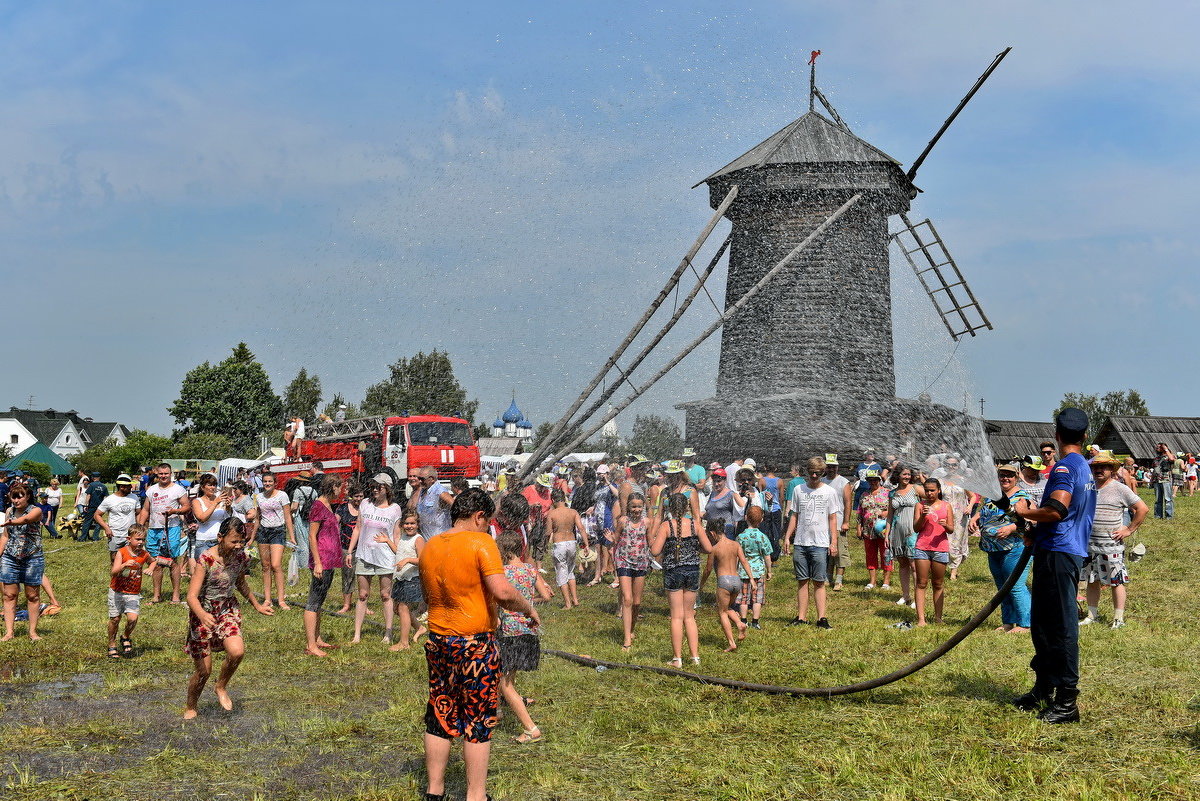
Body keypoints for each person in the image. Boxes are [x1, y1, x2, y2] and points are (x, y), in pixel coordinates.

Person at [419, 488, 539, 801]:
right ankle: (476, 795)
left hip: (439, 640)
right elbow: (502, 591)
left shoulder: (430, 545)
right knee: (477, 720)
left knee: (440, 713)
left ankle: (434, 792)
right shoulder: (481, 541)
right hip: (475, 644)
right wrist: (527, 608)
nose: (488, 528)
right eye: (488, 522)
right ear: (479, 516)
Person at [1013, 407, 1098, 724]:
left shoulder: (1063, 468)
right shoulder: (1083, 467)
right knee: (1045, 624)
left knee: (1060, 627)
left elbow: (1058, 509)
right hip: (1062, 550)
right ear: (1085, 436)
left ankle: (1066, 702)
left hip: (1059, 554)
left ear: (1057, 435)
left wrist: (1026, 513)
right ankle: (1043, 688)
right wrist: (1038, 529)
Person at [183, 517, 274, 719]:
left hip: (227, 610)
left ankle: (221, 686)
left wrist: (256, 605)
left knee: (237, 652)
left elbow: (241, 584)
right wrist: (202, 614)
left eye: (241, 541)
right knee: (203, 672)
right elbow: (191, 596)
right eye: (234, 541)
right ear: (220, 537)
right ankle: (191, 705)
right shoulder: (206, 559)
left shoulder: (240, 557)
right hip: (203, 612)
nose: (238, 546)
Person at [495, 529, 552, 744]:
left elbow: (497, 598)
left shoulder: (501, 572)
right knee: (509, 676)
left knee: (503, 683)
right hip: (529, 631)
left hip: (509, 632)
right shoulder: (530, 569)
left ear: (503, 550)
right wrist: (528, 603)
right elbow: (546, 596)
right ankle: (498, 710)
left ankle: (530, 728)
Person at [1081, 451, 1148, 629]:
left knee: (1116, 581)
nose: (1099, 470)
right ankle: (1092, 615)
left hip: (1111, 546)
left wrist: (1129, 529)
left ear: (1112, 470)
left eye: (1103, 467)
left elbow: (1142, 508)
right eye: (1095, 467)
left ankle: (1118, 619)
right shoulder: (1089, 487)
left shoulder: (1120, 488)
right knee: (1092, 580)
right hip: (1090, 545)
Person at [650, 492, 714, 666]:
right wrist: (693, 548)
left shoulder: (666, 526)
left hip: (673, 572)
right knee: (689, 616)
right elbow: (708, 548)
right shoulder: (695, 525)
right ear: (687, 507)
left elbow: (655, 551)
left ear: (670, 508)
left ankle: (677, 658)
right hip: (692, 571)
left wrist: (654, 540)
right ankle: (695, 657)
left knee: (676, 617)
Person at [971, 463, 1032, 633]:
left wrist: (1011, 528)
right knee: (1002, 587)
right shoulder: (993, 495)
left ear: (1017, 477)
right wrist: (974, 518)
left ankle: (1025, 624)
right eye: (1002, 475)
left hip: (1016, 548)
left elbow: (1032, 520)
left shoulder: (1022, 496)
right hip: (993, 549)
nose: (1005, 478)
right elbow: (984, 509)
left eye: (1009, 475)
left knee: (1016, 586)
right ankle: (1008, 622)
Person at [783, 457, 838, 629]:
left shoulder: (829, 492)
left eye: (817, 473)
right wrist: (787, 537)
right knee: (802, 580)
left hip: (820, 544)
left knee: (819, 581)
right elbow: (794, 515)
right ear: (807, 471)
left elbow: (833, 518)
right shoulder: (799, 489)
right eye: (811, 472)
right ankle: (801, 617)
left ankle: (822, 618)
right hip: (801, 542)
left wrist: (833, 542)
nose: (814, 475)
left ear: (822, 473)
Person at [349, 474, 403, 644]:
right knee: (363, 595)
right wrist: (350, 551)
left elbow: (396, 535)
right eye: (372, 486)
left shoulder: (395, 509)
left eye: (378, 487)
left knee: (385, 595)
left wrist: (400, 556)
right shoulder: (365, 503)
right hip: (365, 555)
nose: (374, 489)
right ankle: (357, 634)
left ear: (386, 489)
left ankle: (388, 633)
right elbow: (358, 528)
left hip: (385, 557)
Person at [303, 474, 347, 657]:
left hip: (329, 560)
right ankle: (311, 645)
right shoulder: (318, 506)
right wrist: (318, 563)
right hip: (321, 561)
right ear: (332, 487)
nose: (342, 491)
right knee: (313, 602)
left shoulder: (328, 505)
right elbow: (312, 536)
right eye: (340, 487)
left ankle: (317, 638)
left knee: (320, 600)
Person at [139, 462, 191, 605]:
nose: (163, 476)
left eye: (166, 474)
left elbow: (187, 506)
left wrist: (174, 511)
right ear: (157, 474)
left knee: (173, 562)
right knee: (155, 561)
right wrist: (140, 526)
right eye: (161, 474)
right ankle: (157, 596)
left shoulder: (178, 490)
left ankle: (175, 596)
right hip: (154, 529)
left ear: (170, 474)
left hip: (172, 529)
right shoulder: (151, 490)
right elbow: (145, 510)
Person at [701, 517, 753, 652]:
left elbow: (707, 569)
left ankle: (731, 642)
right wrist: (751, 579)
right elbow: (744, 562)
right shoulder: (735, 544)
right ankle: (739, 623)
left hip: (724, 581)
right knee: (729, 607)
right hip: (737, 581)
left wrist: (701, 584)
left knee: (722, 612)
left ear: (712, 533)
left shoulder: (714, 548)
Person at [1, 484, 45, 641]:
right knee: (9, 595)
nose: (16, 499)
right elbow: (5, 536)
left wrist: (12, 522)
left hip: (32, 557)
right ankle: (9, 632)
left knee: (32, 595)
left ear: (27, 497)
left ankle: (32, 632)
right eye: (13, 496)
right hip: (10, 557)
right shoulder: (9, 511)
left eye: (20, 496)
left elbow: (26, 519)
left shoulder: (36, 510)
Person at [107, 525, 156, 659]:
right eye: (138, 539)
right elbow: (113, 572)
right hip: (117, 591)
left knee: (133, 619)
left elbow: (153, 561)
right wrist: (123, 565)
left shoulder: (144, 554)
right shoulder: (122, 552)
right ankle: (112, 643)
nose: (141, 542)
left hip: (133, 592)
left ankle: (125, 636)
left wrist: (150, 568)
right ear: (129, 539)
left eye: (143, 540)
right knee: (115, 619)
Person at [911, 479, 954, 627]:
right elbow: (916, 528)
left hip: (940, 548)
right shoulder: (919, 505)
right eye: (927, 490)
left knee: (938, 583)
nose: (929, 493)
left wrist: (946, 525)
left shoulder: (946, 506)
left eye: (932, 490)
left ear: (939, 490)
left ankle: (938, 617)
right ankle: (921, 619)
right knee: (921, 583)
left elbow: (951, 529)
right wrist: (923, 516)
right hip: (922, 547)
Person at [611, 492, 650, 651]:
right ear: (628, 507)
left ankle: (631, 628)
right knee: (627, 599)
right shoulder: (622, 521)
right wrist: (611, 540)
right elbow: (617, 538)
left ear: (643, 507)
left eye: (639, 506)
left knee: (636, 602)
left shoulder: (647, 522)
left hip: (641, 562)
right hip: (624, 561)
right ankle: (627, 638)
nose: (636, 509)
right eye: (633, 506)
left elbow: (651, 542)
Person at [253, 472, 295, 611]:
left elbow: (288, 516)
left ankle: (281, 599)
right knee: (265, 566)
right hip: (263, 532)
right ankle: (267, 598)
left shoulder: (282, 495)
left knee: (276, 565)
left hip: (278, 531)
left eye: (270, 481)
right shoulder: (258, 497)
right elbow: (258, 518)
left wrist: (292, 536)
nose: (267, 484)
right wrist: (253, 536)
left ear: (275, 482)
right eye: (265, 481)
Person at [389, 512, 426, 651]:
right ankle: (420, 627)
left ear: (417, 525)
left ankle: (404, 643)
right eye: (406, 523)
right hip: (400, 577)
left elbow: (422, 560)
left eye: (412, 523)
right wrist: (387, 541)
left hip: (412, 579)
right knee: (397, 609)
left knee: (403, 608)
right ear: (402, 525)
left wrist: (408, 560)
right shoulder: (404, 537)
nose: (409, 526)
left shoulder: (418, 539)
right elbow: (399, 552)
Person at [546, 488, 589, 609]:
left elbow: (548, 532)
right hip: (571, 543)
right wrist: (586, 544)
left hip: (559, 544)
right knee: (570, 571)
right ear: (564, 499)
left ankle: (567, 603)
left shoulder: (552, 514)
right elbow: (581, 528)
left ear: (553, 500)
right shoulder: (573, 512)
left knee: (561, 573)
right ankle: (575, 600)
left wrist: (544, 544)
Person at [887, 466, 923, 609]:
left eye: (908, 474)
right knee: (902, 563)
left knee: (914, 564)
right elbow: (890, 515)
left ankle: (916, 597)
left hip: (912, 531)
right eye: (904, 474)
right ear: (898, 476)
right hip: (897, 531)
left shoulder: (916, 489)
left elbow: (932, 498)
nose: (907, 477)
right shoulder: (892, 493)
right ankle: (905, 595)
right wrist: (887, 534)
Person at [735, 505, 773, 629]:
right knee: (757, 598)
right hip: (758, 571)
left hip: (743, 572)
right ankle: (755, 622)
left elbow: (737, 556)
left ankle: (744, 620)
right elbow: (767, 556)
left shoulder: (740, 537)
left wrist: (735, 569)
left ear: (746, 518)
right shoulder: (762, 537)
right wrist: (769, 571)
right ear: (761, 520)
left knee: (744, 598)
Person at [820, 455, 853, 591]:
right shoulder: (821, 481)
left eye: (833, 466)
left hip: (838, 522)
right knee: (826, 552)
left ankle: (839, 580)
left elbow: (848, 502)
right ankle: (828, 576)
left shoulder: (843, 482)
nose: (831, 469)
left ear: (837, 467)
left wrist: (846, 521)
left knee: (840, 552)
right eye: (829, 466)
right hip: (823, 523)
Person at [856, 471, 892, 590]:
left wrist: (883, 513)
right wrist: (858, 528)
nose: (873, 482)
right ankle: (872, 581)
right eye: (870, 480)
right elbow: (860, 512)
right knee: (870, 555)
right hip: (868, 530)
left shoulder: (887, 493)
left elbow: (893, 510)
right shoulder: (864, 494)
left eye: (875, 479)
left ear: (879, 480)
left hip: (883, 530)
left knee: (885, 554)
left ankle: (886, 581)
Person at [189, 475, 230, 577]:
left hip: (219, 541)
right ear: (203, 487)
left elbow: (227, 519)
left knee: (219, 573)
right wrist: (215, 503)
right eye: (209, 485)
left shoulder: (220, 500)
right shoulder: (197, 501)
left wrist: (228, 507)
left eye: (214, 485)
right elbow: (202, 518)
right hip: (203, 542)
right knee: (203, 573)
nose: (213, 487)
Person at [335, 482, 364, 615]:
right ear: (351, 496)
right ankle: (346, 604)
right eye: (356, 496)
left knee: (363, 577)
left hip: (363, 548)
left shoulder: (366, 508)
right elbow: (335, 524)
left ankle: (364, 604)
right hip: (347, 547)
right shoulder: (342, 508)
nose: (358, 499)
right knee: (347, 576)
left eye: (361, 496)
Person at [95, 474, 140, 555]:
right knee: (115, 559)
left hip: (131, 535)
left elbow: (139, 513)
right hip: (115, 535)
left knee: (132, 559)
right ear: (122, 487)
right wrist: (106, 528)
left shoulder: (134, 497)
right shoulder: (110, 499)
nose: (131, 487)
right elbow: (97, 515)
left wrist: (139, 528)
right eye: (129, 486)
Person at [703, 468, 746, 538]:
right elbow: (710, 512)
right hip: (712, 532)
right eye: (714, 481)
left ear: (725, 480)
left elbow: (744, 510)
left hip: (725, 532)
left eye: (719, 481)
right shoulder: (712, 494)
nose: (716, 484)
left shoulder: (731, 494)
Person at [416, 467, 453, 541]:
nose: (419, 481)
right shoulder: (423, 490)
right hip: (427, 537)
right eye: (418, 478)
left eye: (422, 479)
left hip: (439, 537)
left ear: (432, 479)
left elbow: (455, 505)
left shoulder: (439, 491)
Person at [80, 472, 108, 543]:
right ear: (99, 477)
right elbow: (106, 497)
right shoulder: (104, 486)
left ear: (93, 477)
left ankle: (83, 538)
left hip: (92, 506)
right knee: (98, 522)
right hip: (100, 507)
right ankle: (95, 537)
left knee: (87, 522)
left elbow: (88, 495)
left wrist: (86, 505)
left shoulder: (91, 485)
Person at [1152, 442, 1175, 519]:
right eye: (1157, 447)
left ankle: (1169, 516)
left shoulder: (1168, 456)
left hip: (1166, 480)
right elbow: (1154, 470)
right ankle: (1158, 516)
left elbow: (1172, 459)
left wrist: (1166, 449)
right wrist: (1152, 480)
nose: (1157, 448)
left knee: (1168, 499)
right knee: (1158, 500)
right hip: (1157, 480)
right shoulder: (1156, 458)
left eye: (1159, 447)